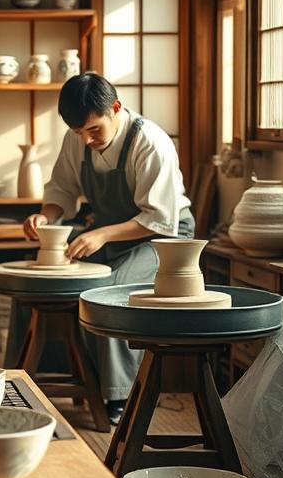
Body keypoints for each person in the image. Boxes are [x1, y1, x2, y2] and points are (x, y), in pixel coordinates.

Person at [16, 73, 194, 423]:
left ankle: (120, 395)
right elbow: (62, 192)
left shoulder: (150, 141)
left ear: (116, 108)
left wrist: (101, 235)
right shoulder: (78, 138)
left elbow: (158, 217)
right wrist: (44, 217)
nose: (86, 140)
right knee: (39, 284)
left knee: (108, 291)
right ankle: (28, 381)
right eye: (78, 132)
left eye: (94, 130)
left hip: (164, 238)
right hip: (110, 231)